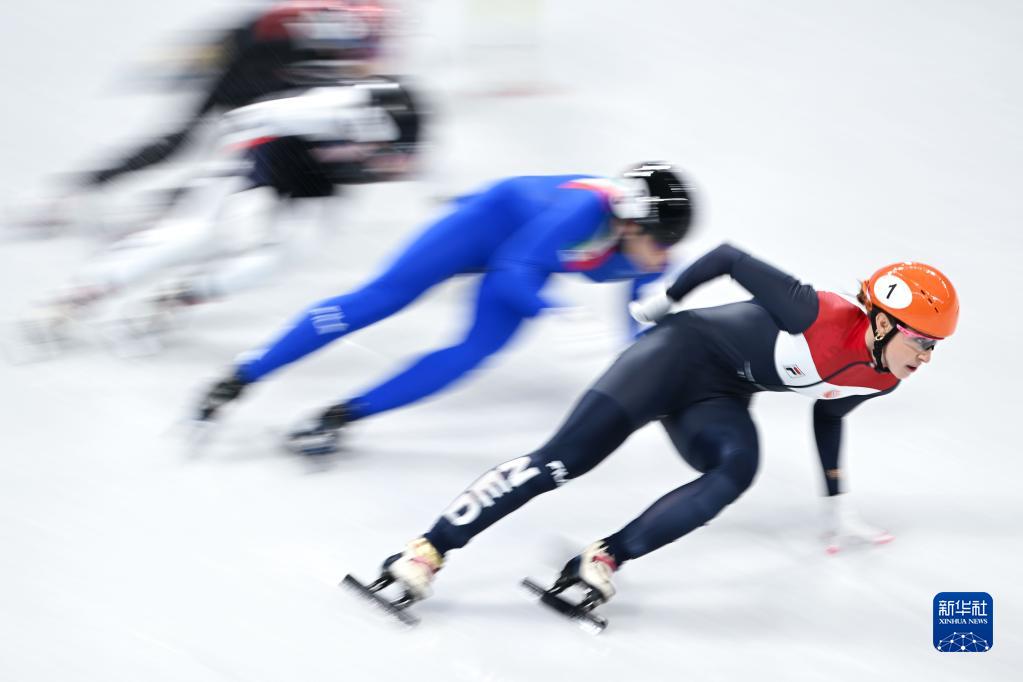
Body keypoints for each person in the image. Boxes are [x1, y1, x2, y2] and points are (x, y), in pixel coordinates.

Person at [365, 246, 958, 614]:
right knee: (563, 461)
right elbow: (728, 257)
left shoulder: (884, 377)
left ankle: (601, 559)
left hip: (717, 394)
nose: (927, 356)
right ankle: (426, 551)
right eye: (921, 340)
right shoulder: (819, 314)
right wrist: (664, 302)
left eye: (936, 346)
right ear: (881, 321)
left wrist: (837, 505)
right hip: (673, 354)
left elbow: (829, 415)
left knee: (735, 469)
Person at [194, 163, 695, 454]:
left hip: (524, 254)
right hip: (479, 229)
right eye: (658, 241)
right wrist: (556, 311)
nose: (662, 257)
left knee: (475, 351)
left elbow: (636, 325)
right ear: (629, 226)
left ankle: (340, 416)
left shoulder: (650, 256)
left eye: (670, 244)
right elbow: (513, 270)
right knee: (380, 299)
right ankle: (244, 374)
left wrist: (648, 373)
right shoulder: (580, 212)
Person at [19, 76, 423, 352]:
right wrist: (247, 187)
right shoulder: (330, 109)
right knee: (204, 233)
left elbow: (411, 172)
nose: (387, 166)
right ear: (369, 127)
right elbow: (240, 124)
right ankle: (78, 295)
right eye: (384, 153)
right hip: (263, 153)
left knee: (284, 255)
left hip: (313, 177)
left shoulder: (386, 136)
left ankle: (178, 298)